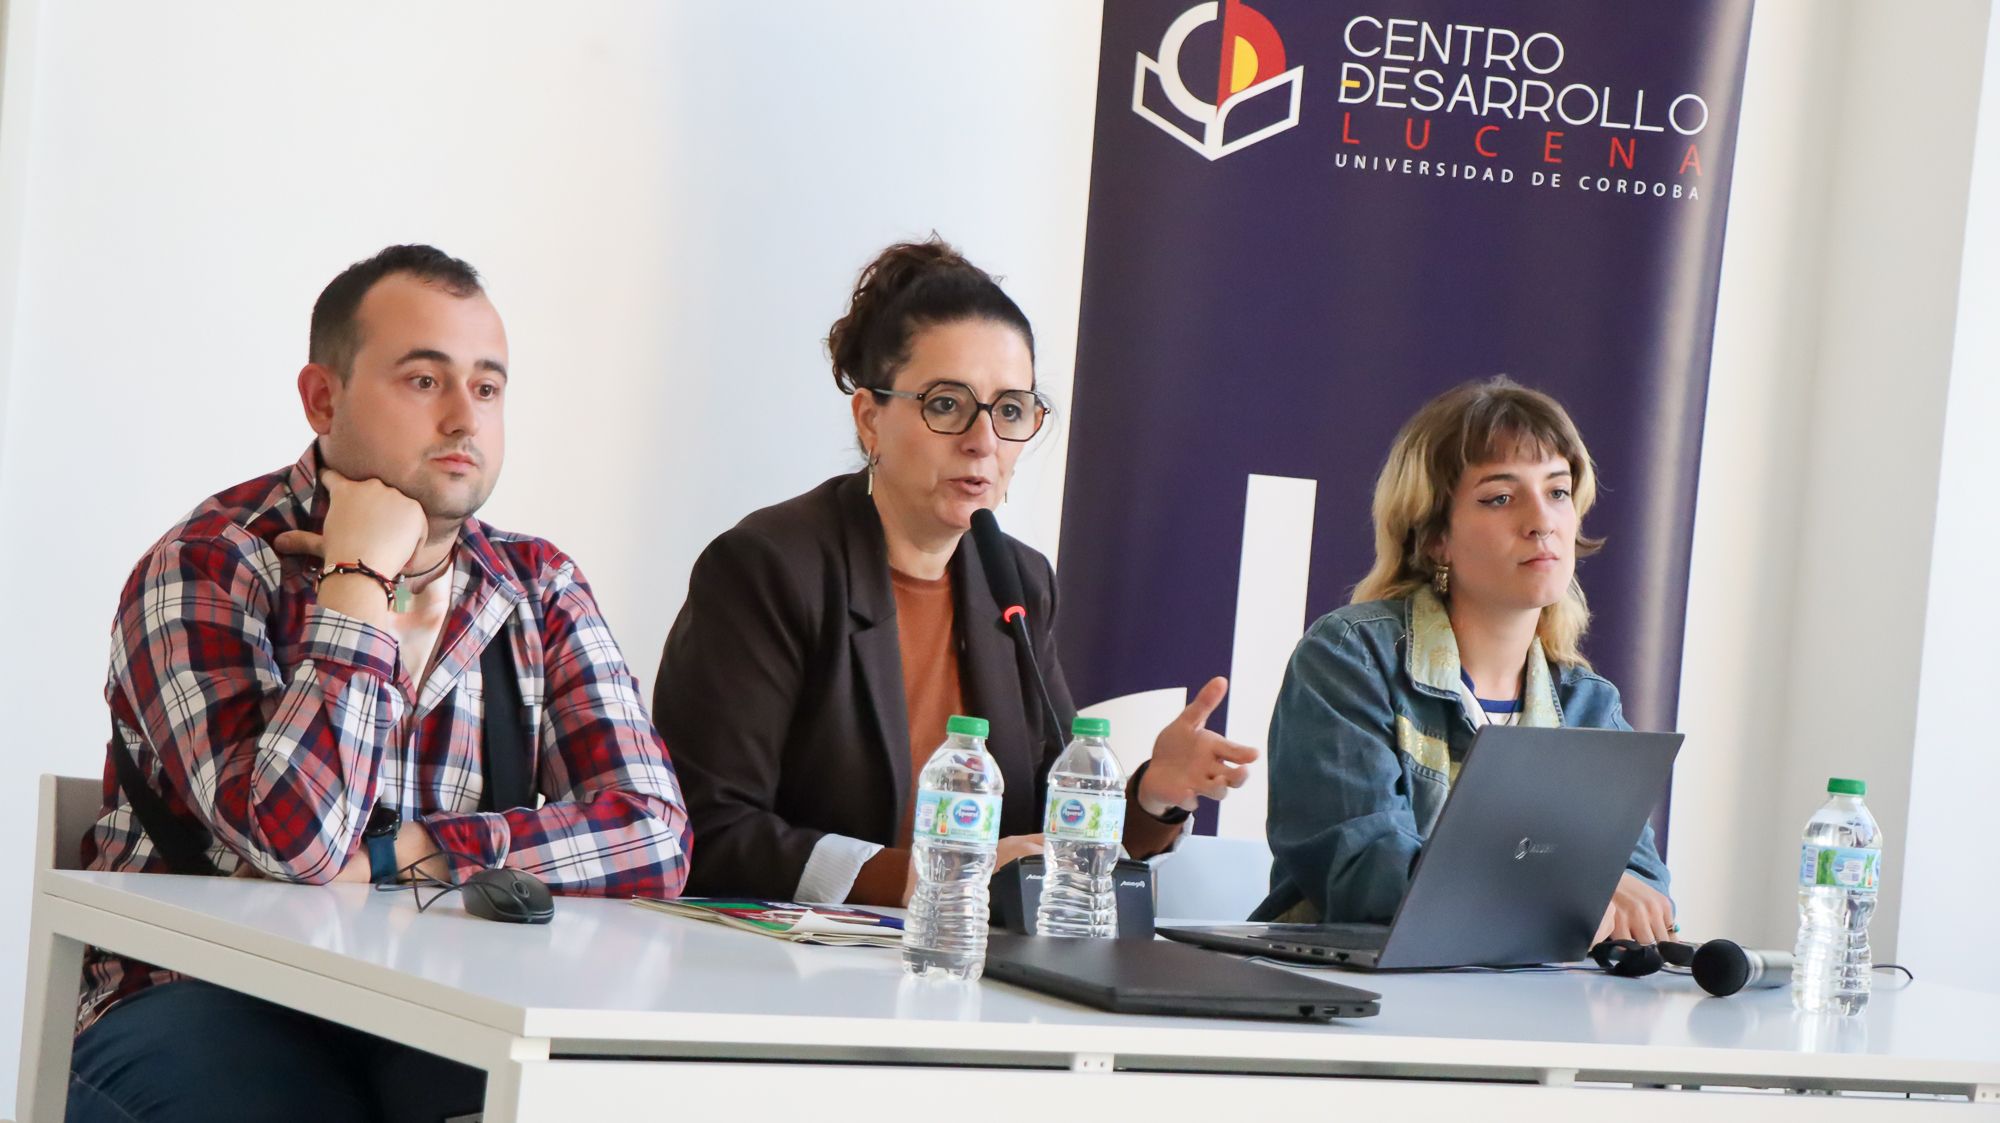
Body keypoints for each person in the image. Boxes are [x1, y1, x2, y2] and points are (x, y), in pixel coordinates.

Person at [70, 245, 691, 1123]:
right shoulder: (207, 566)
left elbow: (654, 832)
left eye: (487, 387)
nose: (464, 418)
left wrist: (417, 851)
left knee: (617, 1099)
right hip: (197, 996)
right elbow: (299, 845)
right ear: (323, 399)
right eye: (424, 381)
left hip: (433, 1003)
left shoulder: (538, 587)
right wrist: (359, 580)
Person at [655, 237, 1258, 905]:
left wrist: (1153, 797)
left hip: (969, 953)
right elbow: (709, 829)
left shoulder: (1017, 581)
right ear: (870, 419)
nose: (984, 441)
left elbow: (1043, 825)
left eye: (1010, 410)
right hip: (787, 960)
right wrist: (928, 877)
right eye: (946, 404)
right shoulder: (769, 567)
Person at [1253, 376, 1674, 944]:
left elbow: (1644, 886)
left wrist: (1610, 896)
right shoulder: (1350, 656)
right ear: (1435, 539)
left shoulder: (1589, 702)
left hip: (1519, 992)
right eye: (1500, 497)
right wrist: (1562, 892)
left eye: (1557, 491)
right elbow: (1364, 872)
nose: (1542, 521)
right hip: (1343, 989)